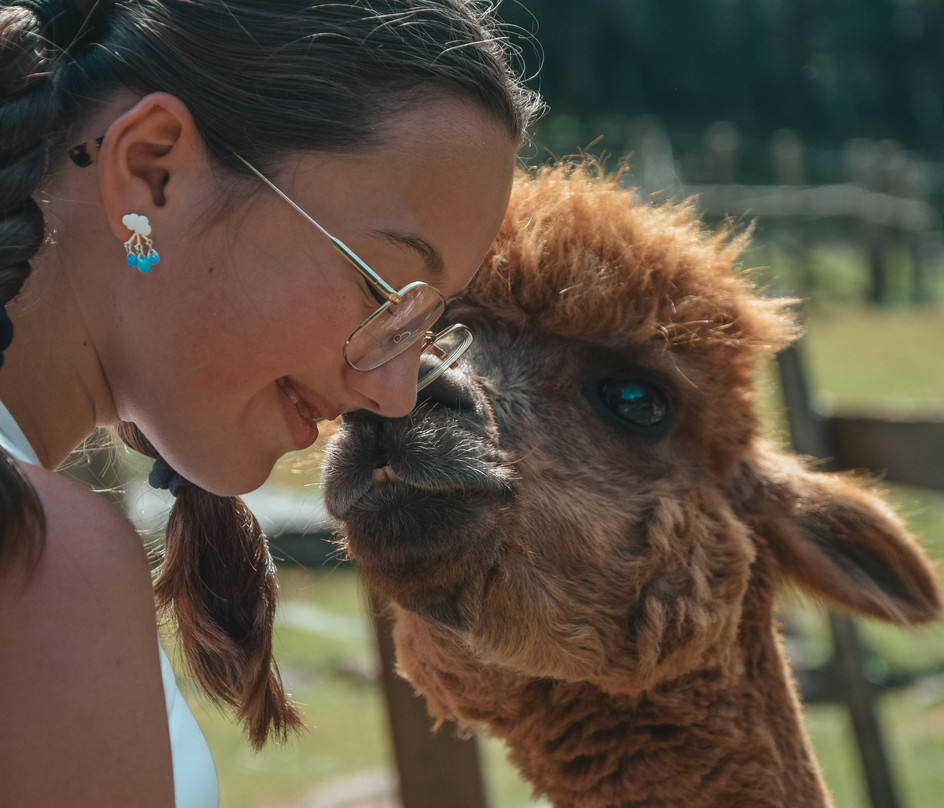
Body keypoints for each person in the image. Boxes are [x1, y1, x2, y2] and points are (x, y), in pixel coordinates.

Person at [0, 0, 542, 804]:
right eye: (381, 288)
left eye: (424, 328)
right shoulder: (41, 557)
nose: (393, 398)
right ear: (154, 172)